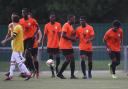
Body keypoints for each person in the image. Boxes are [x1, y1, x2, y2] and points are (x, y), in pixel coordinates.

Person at [1, 14, 31, 81]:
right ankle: (10, 76)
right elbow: (8, 34)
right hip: (15, 47)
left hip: (18, 48)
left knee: (20, 63)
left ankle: (28, 73)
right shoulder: (12, 25)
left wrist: (5, 41)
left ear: (12, 19)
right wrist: (6, 38)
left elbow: (13, 36)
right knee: (12, 62)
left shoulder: (18, 27)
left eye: (11, 17)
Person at [19, 8, 39, 75]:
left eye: (24, 12)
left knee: (27, 53)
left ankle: (33, 69)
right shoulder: (20, 21)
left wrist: (35, 34)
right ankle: (25, 71)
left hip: (31, 39)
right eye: (22, 13)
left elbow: (37, 27)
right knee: (24, 56)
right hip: (23, 40)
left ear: (27, 13)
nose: (23, 14)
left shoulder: (32, 20)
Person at [57, 15, 77, 79]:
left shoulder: (70, 26)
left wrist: (74, 36)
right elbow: (63, 35)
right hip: (64, 45)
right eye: (73, 19)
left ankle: (71, 75)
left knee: (72, 59)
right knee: (68, 59)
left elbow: (71, 35)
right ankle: (60, 73)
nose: (74, 20)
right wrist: (72, 39)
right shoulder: (66, 25)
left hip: (68, 46)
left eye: (74, 19)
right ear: (70, 19)